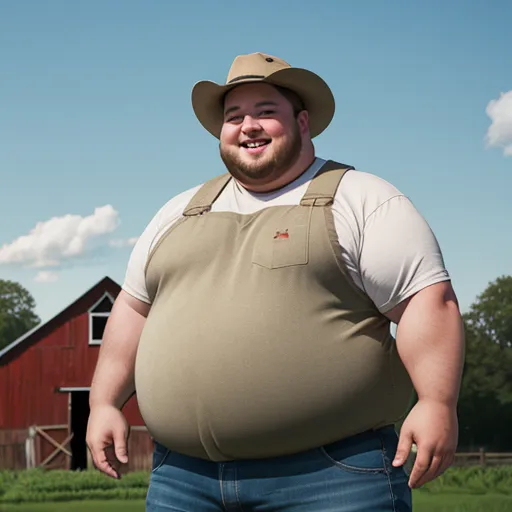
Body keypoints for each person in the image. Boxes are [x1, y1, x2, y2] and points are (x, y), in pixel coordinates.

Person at [87, 52, 465, 511]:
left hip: (330, 479)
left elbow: (427, 301)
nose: (248, 126)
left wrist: (437, 401)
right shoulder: (178, 212)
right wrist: (104, 403)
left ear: (302, 122)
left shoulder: (362, 198)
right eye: (234, 116)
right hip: (182, 481)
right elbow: (131, 310)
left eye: (266, 112)